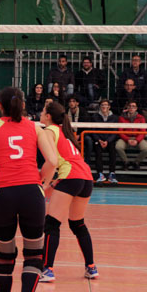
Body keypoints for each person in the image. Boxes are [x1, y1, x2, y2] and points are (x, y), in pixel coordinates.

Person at [0, 87, 59, 292]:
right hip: (31, 193)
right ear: (23, 105)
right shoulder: (35, 127)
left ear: (0, 107)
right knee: (34, 254)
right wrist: (43, 182)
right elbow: (52, 160)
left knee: (4, 254)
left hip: (3, 195)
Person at [39, 101, 99, 282]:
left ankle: (47, 269)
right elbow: (67, 162)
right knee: (77, 224)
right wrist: (53, 185)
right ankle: (91, 267)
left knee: (51, 224)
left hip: (71, 177)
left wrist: (43, 183)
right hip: (86, 178)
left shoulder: (49, 131)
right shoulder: (65, 132)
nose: (40, 114)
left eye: (43, 111)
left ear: (48, 116)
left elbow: (52, 162)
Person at [115, 100, 147, 170]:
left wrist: (137, 140)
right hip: (125, 138)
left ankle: (136, 162)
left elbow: (143, 131)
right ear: (127, 107)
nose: (131, 108)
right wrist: (128, 139)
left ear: (136, 108)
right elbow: (120, 131)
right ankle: (126, 162)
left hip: (137, 138)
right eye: (130, 106)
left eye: (133, 106)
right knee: (118, 146)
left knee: (146, 149)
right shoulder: (121, 117)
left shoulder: (141, 117)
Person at [91, 100, 119, 184]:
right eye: (102, 105)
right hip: (98, 140)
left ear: (109, 107)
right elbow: (93, 130)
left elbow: (114, 131)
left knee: (113, 152)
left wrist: (107, 141)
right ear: (100, 106)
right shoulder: (95, 117)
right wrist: (99, 140)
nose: (104, 107)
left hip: (109, 140)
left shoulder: (114, 117)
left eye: (106, 105)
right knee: (98, 153)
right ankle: (100, 174)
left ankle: (112, 174)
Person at [67, 95, 92, 165]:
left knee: (89, 140)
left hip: (82, 134)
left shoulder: (83, 112)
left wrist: (80, 135)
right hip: (69, 135)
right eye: (70, 101)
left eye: (73, 101)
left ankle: (86, 163)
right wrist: (71, 135)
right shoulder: (65, 112)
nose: (71, 103)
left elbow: (88, 126)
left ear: (77, 103)